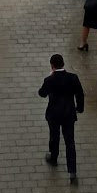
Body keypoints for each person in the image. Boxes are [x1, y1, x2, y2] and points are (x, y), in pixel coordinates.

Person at [39, 53, 85, 183]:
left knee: (54, 136)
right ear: (63, 64)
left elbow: (42, 93)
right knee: (70, 142)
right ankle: (72, 172)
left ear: (52, 66)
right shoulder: (73, 78)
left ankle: (53, 158)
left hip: (54, 114)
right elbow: (80, 94)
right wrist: (79, 108)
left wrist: (49, 78)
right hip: (69, 114)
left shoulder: (49, 80)